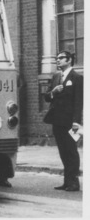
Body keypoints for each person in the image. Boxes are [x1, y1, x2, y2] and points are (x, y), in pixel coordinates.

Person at [43, 51, 83, 192]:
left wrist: (77, 122)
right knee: (63, 151)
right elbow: (47, 97)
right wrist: (53, 92)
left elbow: (79, 102)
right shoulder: (56, 77)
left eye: (61, 58)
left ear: (69, 60)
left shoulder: (77, 78)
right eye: (56, 58)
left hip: (70, 122)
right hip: (57, 120)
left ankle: (74, 182)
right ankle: (67, 182)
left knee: (71, 151)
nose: (57, 60)